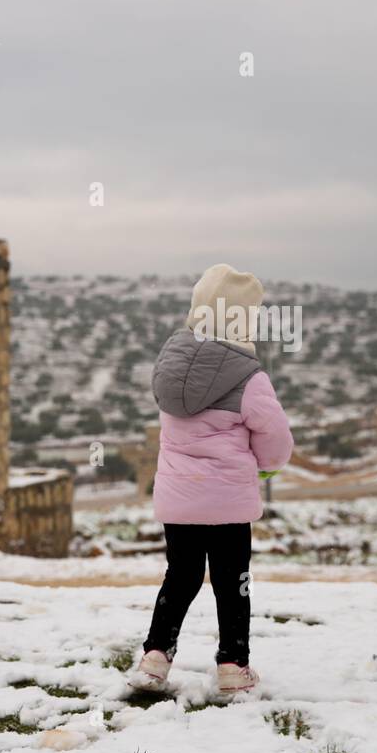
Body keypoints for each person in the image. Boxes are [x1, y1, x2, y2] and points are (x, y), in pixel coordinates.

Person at [130, 264, 294, 694]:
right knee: (231, 581)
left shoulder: (170, 368)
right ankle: (232, 665)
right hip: (228, 502)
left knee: (180, 576)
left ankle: (154, 658)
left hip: (179, 499)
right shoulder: (249, 377)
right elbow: (276, 439)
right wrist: (265, 465)